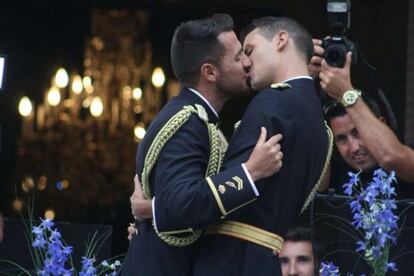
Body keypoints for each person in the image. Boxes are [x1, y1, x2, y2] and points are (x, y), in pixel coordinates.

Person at [118, 14, 284, 275]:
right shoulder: (187, 122)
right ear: (210, 72)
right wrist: (250, 173)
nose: (247, 62)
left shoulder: (197, 118)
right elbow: (178, 204)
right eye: (238, 56)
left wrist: (150, 209)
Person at [193, 16, 332, 275]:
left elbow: (227, 202)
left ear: (281, 40)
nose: (245, 63)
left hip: (230, 260)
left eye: (250, 50)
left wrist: (160, 209)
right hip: (265, 260)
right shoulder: (318, 121)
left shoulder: (272, 102)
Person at [312, 39, 414, 193]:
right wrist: (304, 79)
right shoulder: (334, 173)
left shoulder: (403, 161)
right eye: (341, 139)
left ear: (382, 123)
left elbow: (391, 157)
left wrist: (346, 93)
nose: (353, 148)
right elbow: (313, 184)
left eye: (357, 132)